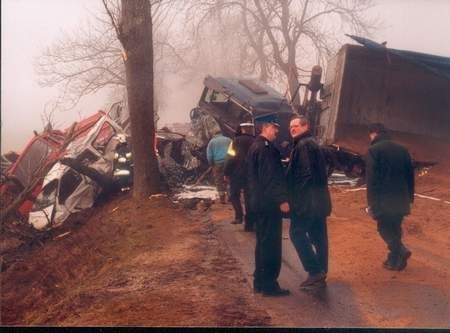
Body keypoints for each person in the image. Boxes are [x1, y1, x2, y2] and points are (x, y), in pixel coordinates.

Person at [286, 115, 331, 290]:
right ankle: (321, 272)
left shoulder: (303, 145)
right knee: (319, 237)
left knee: (296, 233)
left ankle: (314, 272)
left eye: (295, 126)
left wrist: (297, 199)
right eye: (290, 126)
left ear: (306, 126)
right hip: (319, 200)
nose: (292, 129)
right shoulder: (312, 143)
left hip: (307, 201)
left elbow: (307, 175)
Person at [247, 119, 290, 296]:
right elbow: (270, 177)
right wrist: (282, 200)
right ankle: (270, 285)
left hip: (259, 202)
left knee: (263, 243)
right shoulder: (265, 149)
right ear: (264, 128)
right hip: (269, 203)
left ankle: (259, 281)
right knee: (271, 245)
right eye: (274, 128)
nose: (277, 132)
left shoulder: (255, 146)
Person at [366, 123, 414, 271]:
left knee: (383, 228)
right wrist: (410, 197)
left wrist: (371, 203)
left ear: (374, 133)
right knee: (395, 227)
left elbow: (371, 179)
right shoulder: (403, 149)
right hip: (401, 197)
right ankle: (394, 261)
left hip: (383, 198)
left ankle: (401, 250)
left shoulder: (373, 150)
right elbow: (410, 176)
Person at [224, 123, 255, 231]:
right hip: (251, 174)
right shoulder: (256, 141)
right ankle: (249, 224)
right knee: (249, 198)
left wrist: (226, 172)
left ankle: (239, 216)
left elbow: (230, 158)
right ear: (251, 129)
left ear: (242, 129)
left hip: (236, 174)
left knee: (234, 195)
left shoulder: (235, 141)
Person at [207, 131, 232, 203]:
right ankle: (230, 195)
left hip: (217, 163)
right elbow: (233, 151)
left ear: (214, 134)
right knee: (229, 178)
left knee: (219, 180)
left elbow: (209, 155)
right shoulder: (229, 140)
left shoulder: (211, 142)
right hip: (229, 162)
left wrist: (211, 164)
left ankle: (222, 198)